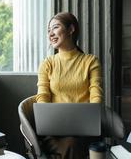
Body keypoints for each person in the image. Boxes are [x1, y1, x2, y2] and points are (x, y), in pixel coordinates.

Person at [36, 12, 103, 159]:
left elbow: (96, 95)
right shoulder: (47, 64)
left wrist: (91, 121)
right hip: (54, 132)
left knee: (75, 143)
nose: (51, 34)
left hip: (85, 130)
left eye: (55, 27)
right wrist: (46, 122)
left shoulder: (91, 61)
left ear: (71, 29)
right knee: (72, 144)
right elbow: (43, 98)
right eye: (48, 31)